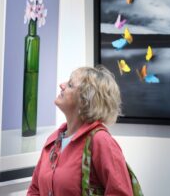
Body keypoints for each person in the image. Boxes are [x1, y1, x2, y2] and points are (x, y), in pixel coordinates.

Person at [27, 65, 134, 195]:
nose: (62, 85)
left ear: (85, 101)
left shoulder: (101, 141)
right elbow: (35, 190)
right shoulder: (54, 140)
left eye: (70, 85)